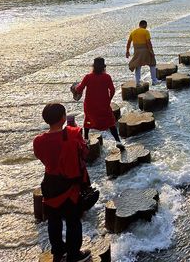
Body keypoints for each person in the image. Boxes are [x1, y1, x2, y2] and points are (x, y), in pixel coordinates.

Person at [33, 103, 92, 262]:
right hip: (70, 184)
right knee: (73, 220)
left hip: (50, 184)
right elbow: (85, 153)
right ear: (63, 118)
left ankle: (58, 252)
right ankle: (74, 255)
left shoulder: (38, 141)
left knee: (54, 219)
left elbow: (40, 157)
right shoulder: (73, 134)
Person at [72, 57, 124, 151]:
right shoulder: (107, 77)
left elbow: (79, 89)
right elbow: (112, 90)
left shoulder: (88, 77)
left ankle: (86, 139)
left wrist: (75, 88)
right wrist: (108, 100)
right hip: (103, 105)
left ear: (93, 67)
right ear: (103, 67)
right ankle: (118, 141)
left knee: (87, 121)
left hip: (90, 106)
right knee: (111, 122)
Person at [126, 20, 159, 85]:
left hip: (137, 51)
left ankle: (138, 82)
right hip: (145, 50)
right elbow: (148, 42)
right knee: (152, 64)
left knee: (137, 65)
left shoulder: (133, 32)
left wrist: (127, 51)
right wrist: (151, 51)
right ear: (145, 25)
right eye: (146, 26)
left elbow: (129, 42)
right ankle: (154, 81)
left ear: (139, 25)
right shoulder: (146, 32)